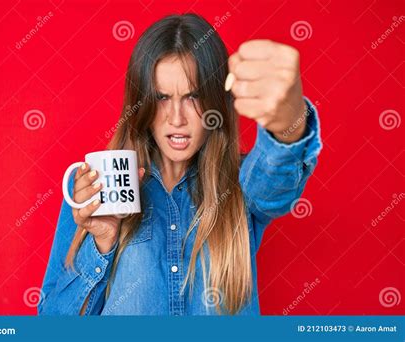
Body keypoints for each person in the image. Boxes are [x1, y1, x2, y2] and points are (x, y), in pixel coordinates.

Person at [38, 13, 322, 315]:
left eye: (193, 96)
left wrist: (288, 123)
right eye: (161, 97)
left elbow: (274, 186)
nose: (176, 118)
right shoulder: (91, 190)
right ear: (142, 102)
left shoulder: (242, 185)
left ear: (215, 101)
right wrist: (101, 244)